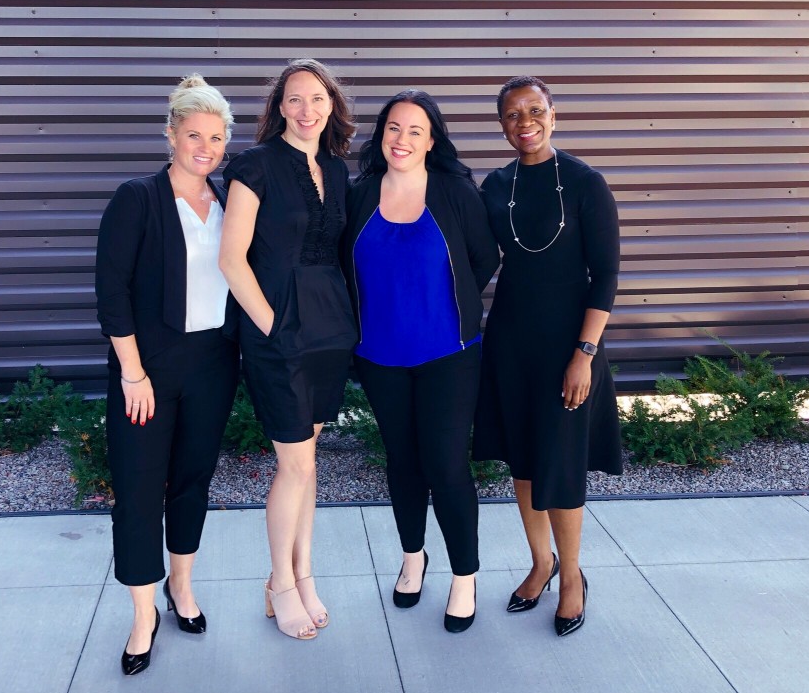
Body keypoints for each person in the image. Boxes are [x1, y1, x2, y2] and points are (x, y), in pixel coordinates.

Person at [95, 74, 239, 675]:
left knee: (191, 481)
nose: (205, 147)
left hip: (213, 365)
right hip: (146, 371)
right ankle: (142, 613)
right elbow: (112, 291)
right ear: (171, 135)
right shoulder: (137, 198)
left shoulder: (232, 197)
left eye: (216, 136)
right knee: (136, 491)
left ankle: (182, 587)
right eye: (193, 134)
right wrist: (132, 372)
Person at [473, 76, 622, 637]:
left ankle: (573, 577)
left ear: (554, 115)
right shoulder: (497, 184)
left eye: (535, 110)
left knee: (559, 464)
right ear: (502, 124)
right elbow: (478, 260)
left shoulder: (585, 183)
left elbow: (606, 275)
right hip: (512, 342)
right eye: (512, 115)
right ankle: (541, 563)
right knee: (524, 462)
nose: (524, 122)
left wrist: (584, 353)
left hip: (569, 345)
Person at [345, 90, 499, 633]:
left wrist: (443, 310)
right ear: (380, 135)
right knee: (402, 462)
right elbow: (345, 269)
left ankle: (464, 576)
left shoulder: (455, 191)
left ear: (432, 140)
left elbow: (484, 258)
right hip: (379, 357)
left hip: (448, 355)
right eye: (393, 128)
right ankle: (414, 558)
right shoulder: (359, 193)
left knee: (447, 465)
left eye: (415, 130)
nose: (402, 139)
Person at [218, 59, 358, 640]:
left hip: (329, 328)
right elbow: (231, 259)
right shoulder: (254, 165)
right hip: (277, 329)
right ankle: (279, 581)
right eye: (295, 99)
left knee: (309, 462)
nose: (307, 110)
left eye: (317, 99)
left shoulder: (335, 167)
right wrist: (273, 328)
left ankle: (304, 575)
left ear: (331, 105)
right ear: (279, 106)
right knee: (294, 463)